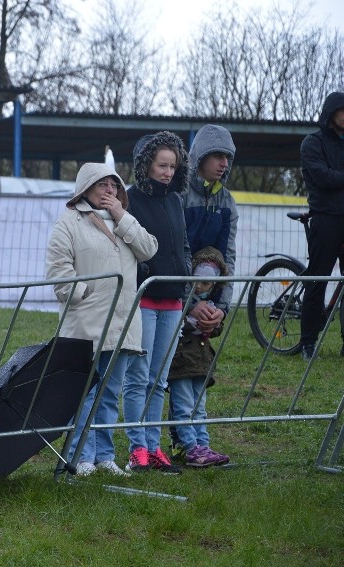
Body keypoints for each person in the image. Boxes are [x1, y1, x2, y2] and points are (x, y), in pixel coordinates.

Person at [46, 162, 158, 478]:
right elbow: (58, 270)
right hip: (87, 324)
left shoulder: (125, 222)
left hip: (122, 322)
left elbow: (149, 249)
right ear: (85, 188)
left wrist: (123, 216)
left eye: (114, 185)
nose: (109, 190)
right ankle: (81, 455)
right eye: (102, 184)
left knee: (110, 391)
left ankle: (105, 456)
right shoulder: (69, 222)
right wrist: (86, 295)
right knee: (86, 392)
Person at [122, 131, 190, 475]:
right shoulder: (130, 199)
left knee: (159, 380)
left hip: (174, 302)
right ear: (146, 164)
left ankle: (154, 446)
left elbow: (183, 244)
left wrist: (187, 271)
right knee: (138, 378)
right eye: (162, 165)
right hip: (145, 299)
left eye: (172, 166)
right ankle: (137, 450)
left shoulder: (176, 200)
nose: (168, 172)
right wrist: (144, 269)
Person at [170, 124, 239, 456]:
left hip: (209, 306)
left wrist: (221, 307)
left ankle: (201, 443)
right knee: (182, 371)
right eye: (217, 155)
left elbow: (229, 257)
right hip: (176, 301)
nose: (223, 163)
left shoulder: (227, 201)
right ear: (199, 156)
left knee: (198, 370)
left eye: (228, 156)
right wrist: (189, 303)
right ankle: (185, 442)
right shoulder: (180, 195)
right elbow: (176, 251)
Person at [167, 246, 230, 467]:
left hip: (201, 362)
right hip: (181, 360)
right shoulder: (179, 304)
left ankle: (203, 445)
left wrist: (214, 324)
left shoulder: (211, 305)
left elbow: (216, 330)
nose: (200, 287)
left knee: (199, 406)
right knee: (183, 406)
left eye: (207, 284)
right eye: (197, 281)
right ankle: (190, 446)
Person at [299, 91, 344, 361]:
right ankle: (308, 342)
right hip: (325, 218)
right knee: (317, 279)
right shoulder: (312, 143)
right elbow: (322, 178)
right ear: (332, 113)